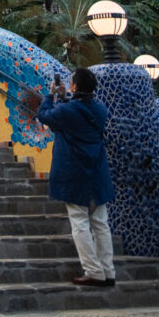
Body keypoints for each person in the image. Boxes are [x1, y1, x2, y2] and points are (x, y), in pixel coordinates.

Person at [37, 67, 116, 288]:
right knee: (101, 223)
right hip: (97, 171)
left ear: (74, 86)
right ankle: (108, 271)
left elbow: (44, 116)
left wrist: (51, 95)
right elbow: (76, 114)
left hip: (74, 172)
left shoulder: (68, 111)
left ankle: (93, 271)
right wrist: (64, 98)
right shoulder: (100, 109)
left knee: (80, 222)